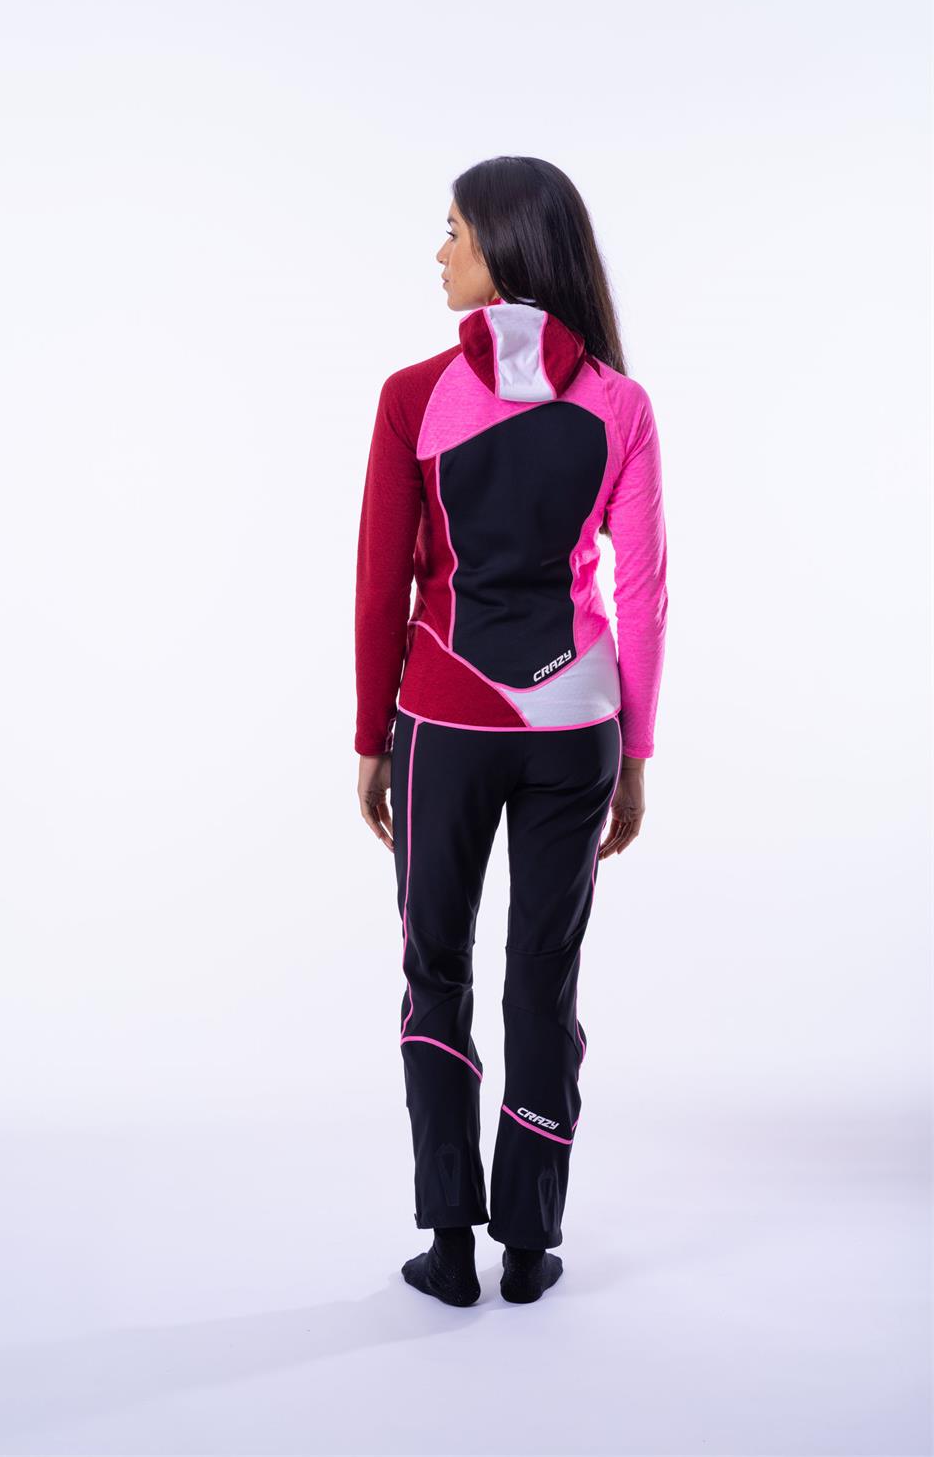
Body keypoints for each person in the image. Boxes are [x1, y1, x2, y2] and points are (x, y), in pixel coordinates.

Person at [354, 156, 669, 1307]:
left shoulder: (412, 394)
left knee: (434, 965)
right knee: (544, 974)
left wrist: (369, 735)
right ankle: (529, 1244)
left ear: (502, 245)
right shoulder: (620, 403)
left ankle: (450, 1243)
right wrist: (635, 750)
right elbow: (642, 595)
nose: (438, 252)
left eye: (452, 230)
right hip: (576, 724)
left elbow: (381, 581)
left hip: (443, 718)